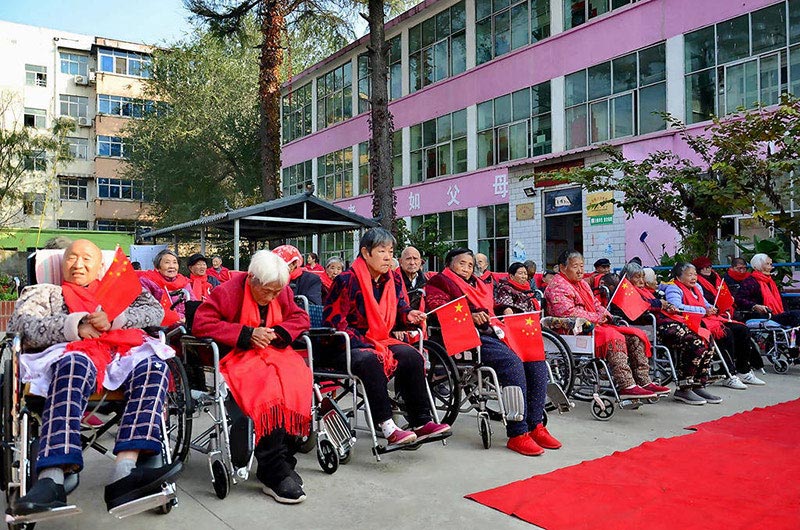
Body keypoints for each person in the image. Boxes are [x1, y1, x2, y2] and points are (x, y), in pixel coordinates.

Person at [7, 239, 181, 515]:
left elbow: (155, 311)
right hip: (72, 352)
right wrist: (74, 325)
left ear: (100, 266)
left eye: (87, 258)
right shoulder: (44, 291)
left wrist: (115, 318)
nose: (78, 264)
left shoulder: (119, 290)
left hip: (120, 353)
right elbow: (21, 324)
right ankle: (51, 479)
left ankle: (125, 471)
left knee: (154, 366)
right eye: (71, 258)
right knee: (73, 364)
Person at [192, 251, 312, 504]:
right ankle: (273, 469)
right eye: (267, 292)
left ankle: (283, 459)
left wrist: (278, 332)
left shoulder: (280, 291)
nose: (272, 298)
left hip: (274, 351)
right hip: (237, 356)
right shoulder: (227, 292)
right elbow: (202, 324)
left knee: (298, 378)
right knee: (269, 389)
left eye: (276, 293)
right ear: (252, 279)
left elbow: (300, 317)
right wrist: (247, 334)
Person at [322, 228, 450, 446]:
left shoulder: (392, 280)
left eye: (390, 252)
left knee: (412, 356)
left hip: (379, 340)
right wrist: (367, 342)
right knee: (372, 359)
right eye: (382, 251)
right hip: (345, 346)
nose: (388, 257)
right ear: (366, 252)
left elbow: (399, 308)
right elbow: (334, 324)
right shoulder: (346, 280)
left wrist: (408, 315)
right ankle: (388, 427)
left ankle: (421, 422)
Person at [427, 250, 558, 456]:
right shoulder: (439, 282)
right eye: (462, 263)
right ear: (449, 264)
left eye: (470, 265)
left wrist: (506, 309)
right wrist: (470, 315)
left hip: (492, 330)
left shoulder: (479, 284)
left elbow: (496, 304)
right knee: (512, 363)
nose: (467, 268)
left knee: (535, 358)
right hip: (463, 335)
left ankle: (536, 425)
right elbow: (437, 308)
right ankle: (518, 433)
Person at [545, 250, 668, 400]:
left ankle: (643, 381)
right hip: (572, 329)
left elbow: (596, 304)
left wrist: (607, 315)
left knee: (635, 335)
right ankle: (626, 385)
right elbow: (567, 313)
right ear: (562, 268)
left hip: (593, 325)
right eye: (575, 266)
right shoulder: (558, 286)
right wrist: (597, 317)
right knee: (613, 336)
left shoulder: (582, 284)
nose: (580, 270)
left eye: (582, 266)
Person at [624, 263, 719, 405]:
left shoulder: (649, 291)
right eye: (637, 277)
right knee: (695, 343)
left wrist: (667, 305)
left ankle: (698, 384)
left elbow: (662, 302)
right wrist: (660, 304)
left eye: (642, 277)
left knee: (707, 340)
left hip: (670, 321)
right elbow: (640, 309)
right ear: (627, 278)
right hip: (654, 327)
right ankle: (684, 387)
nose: (641, 281)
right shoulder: (627, 292)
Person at [664, 262, 765, 388]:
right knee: (725, 333)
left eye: (695, 274)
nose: (694, 278)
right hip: (690, 321)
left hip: (707, 318)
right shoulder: (673, 288)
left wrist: (710, 308)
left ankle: (743, 370)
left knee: (742, 329)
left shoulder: (697, 287)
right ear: (679, 277)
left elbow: (704, 303)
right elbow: (677, 307)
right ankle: (728, 374)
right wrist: (703, 311)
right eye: (690, 275)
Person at [735, 253, 800, 326]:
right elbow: (739, 299)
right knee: (796, 315)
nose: (771, 267)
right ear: (758, 266)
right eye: (767, 264)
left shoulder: (770, 282)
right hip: (762, 315)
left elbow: (782, 301)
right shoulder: (750, 282)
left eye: (770, 264)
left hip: (776, 314)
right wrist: (754, 306)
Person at [139, 249, 195, 326]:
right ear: (157, 267)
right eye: (167, 262)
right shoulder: (147, 281)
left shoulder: (184, 282)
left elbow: (193, 304)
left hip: (184, 323)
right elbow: (146, 307)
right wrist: (176, 318)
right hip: (158, 325)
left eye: (175, 262)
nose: (172, 266)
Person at [397, 246, 426, 311]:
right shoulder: (393, 280)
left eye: (415, 259)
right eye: (408, 259)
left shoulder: (427, 281)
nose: (412, 263)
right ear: (400, 261)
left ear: (420, 261)